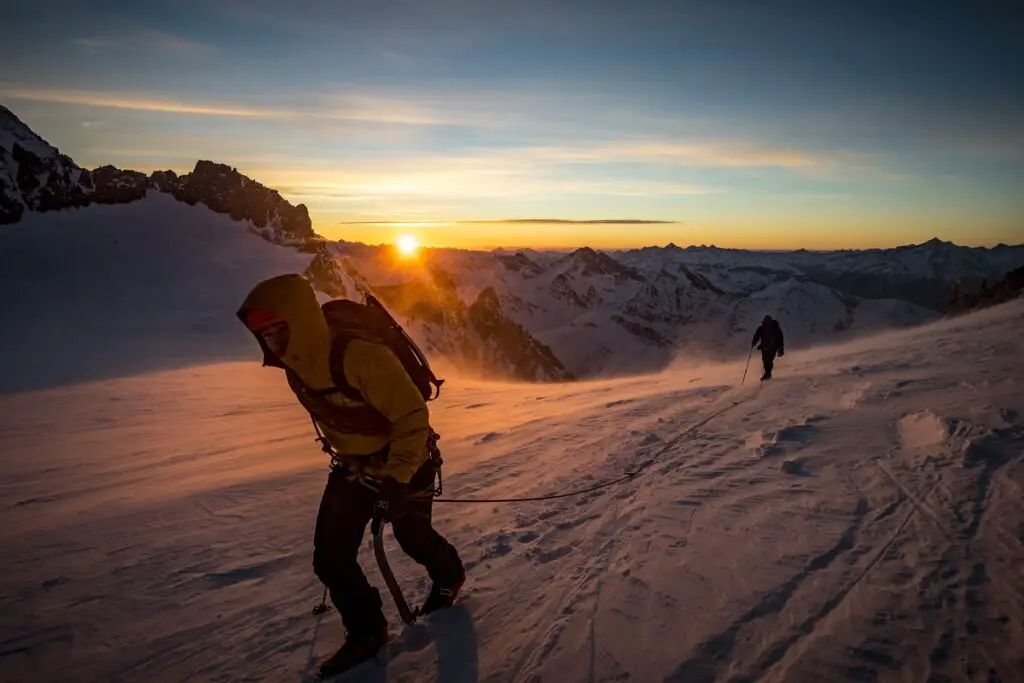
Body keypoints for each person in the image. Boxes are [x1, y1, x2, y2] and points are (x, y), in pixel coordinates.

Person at [236, 274, 465, 678]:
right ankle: (367, 632)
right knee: (330, 556)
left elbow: (412, 420)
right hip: (354, 467)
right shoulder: (297, 368)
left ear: (300, 324)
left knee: (413, 538)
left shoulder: (359, 355)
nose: (273, 343)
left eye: (278, 331)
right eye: (265, 335)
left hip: (405, 461)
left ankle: (449, 575)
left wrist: (397, 478)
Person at [751, 314, 785, 380]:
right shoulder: (775, 328)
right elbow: (780, 338)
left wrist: (754, 342)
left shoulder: (763, 328)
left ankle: (767, 374)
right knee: (766, 360)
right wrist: (781, 348)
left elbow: (757, 336)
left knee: (767, 360)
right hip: (770, 347)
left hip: (767, 347)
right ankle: (767, 373)